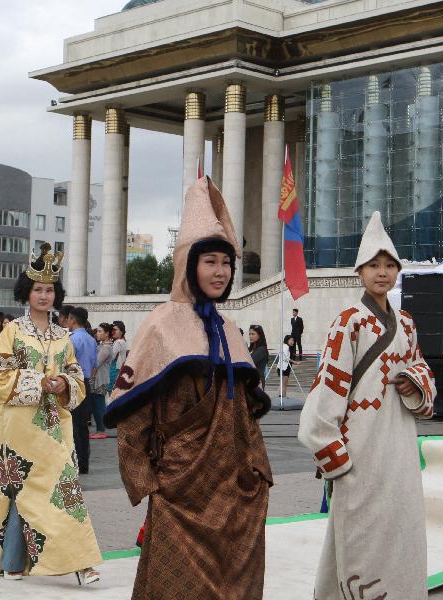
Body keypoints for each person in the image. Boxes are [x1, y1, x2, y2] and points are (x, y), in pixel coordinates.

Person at [104, 176, 272, 600]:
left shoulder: (231, 331)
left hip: (233, 489)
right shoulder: (160, 325)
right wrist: (148, 481)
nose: (220, 271)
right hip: (179, 489)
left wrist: (258, 474)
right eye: (210, 261)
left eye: (226, 262)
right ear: (189, 264)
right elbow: (133, 415)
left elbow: (246, 417)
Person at [298, 211, 435, 600]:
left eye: (389, 265)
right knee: (359, 532)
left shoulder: (406, 323)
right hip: (358, 445)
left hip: (398, 443)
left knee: (399, 526)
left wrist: (414, 382)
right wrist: (332, 451)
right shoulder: (349, 322)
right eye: (374, 265)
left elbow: (422, 369)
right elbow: (329, 386)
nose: (382, 272)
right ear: (360, 271)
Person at [0, 243, 101, 584]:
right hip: (18, 428)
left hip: (54, 428)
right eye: (38, 289)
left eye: (49, 290)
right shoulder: (12, 332)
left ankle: (81, 561)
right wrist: (39, 383)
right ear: (27, 292)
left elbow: (78, 378)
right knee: (21, 494)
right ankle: (12, 562)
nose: (44, 295)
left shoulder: (64, 337)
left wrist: (63, 383)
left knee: (63, 491)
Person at [67, 307, 97, 474]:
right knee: (83, 425)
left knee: (73, 425)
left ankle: (76, 461)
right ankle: (84, 462)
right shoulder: (92, 340)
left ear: (73, 320)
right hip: (86, 382)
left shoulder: (72, 339)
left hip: (73, 382)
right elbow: (94, 365)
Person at [89, 323, 114, 440]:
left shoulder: (106, 347)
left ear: (107, 333)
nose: (97, 333)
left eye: (100, 331)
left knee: (98, 405)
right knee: (96, 404)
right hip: (98, 379)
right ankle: (100, 429)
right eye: (97, 331)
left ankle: (101, 430)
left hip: (99, 379)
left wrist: (90, 377)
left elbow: (96, 363)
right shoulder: (102, 345)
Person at [109, 320, 127, 389]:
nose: (113, 332)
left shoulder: (118, 342)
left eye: (115, 330)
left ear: (121, 332)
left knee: (110, 390)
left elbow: (111, 357)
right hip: (118, 369)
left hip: (114, 369)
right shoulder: (122, 340)